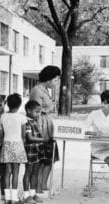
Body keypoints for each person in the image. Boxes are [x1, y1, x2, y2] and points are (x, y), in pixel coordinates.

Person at [29, 65, 60, 194]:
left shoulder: (45, 90)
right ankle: (38, 186)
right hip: (41, 125)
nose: (56, 82)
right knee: (42, 158)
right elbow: (35, 111)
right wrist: (39, 130)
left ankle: (43, 184)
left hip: (48, 124)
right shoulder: (37, 90)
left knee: (50, 157)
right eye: (55, 79)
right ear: (48, 79)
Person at [0, 94, 27, 204]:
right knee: (16, 172)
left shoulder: (3, 116)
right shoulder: (22, 117)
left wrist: (3, 143)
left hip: (6, 143)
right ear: (20, 104)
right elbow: (23, 135)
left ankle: (7, 198)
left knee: (7, 172)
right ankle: (14, 198)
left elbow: (1, 133)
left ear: (8, 104)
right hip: (17, 144)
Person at [23, 100, 46, 204]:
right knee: (28, 172)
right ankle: (26, 195)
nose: (38, 114)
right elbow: (29, 137)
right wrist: (43, 140)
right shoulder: (26, 122)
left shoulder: (34, 121)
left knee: (35, 172)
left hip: (36, 151)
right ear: (28, 111)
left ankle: (33, 194)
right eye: (36, 112)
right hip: (30, 151)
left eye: (39, 112)